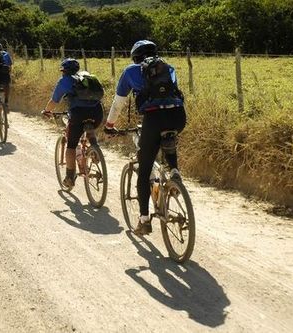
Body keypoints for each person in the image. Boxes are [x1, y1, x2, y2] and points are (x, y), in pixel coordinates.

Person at [104, 40, 186, 236]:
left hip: (153, 119)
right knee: (168, 137)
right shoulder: (168, 67)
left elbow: (118, 103)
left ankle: (144, 220)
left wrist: (109, 126)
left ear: (135, 56)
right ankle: (174, 172)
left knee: (144, 171)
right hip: (178, 116)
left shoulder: (131, 71)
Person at [42, 58, 104, 188]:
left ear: (64, 71)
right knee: (90, 128)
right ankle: (95, 150)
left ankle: (70, 177)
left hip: (78, 115)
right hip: (97, 112)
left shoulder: (64, 81)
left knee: (71, 146)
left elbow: (54, 101)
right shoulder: (87, 76)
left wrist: (47, 111)